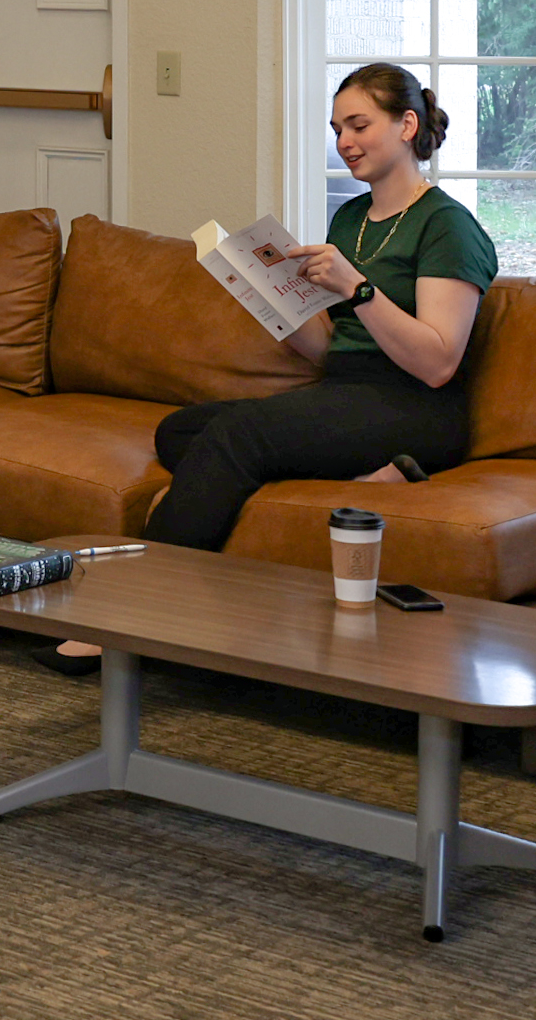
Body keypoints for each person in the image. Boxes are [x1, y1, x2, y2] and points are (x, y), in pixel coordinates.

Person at [54, 63, 497, 665]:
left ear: (407, 125)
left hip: (415, 405)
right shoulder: (350, 219)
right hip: (349, 392)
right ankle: (376, 473)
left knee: (238, 438)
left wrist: (357, 288)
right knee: (180, 430)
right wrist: (277, 307)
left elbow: (439, 362)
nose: (344, 141)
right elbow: (330, 349)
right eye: (337, 128)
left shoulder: (447, 225)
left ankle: (129, 616)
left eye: (359, 124)